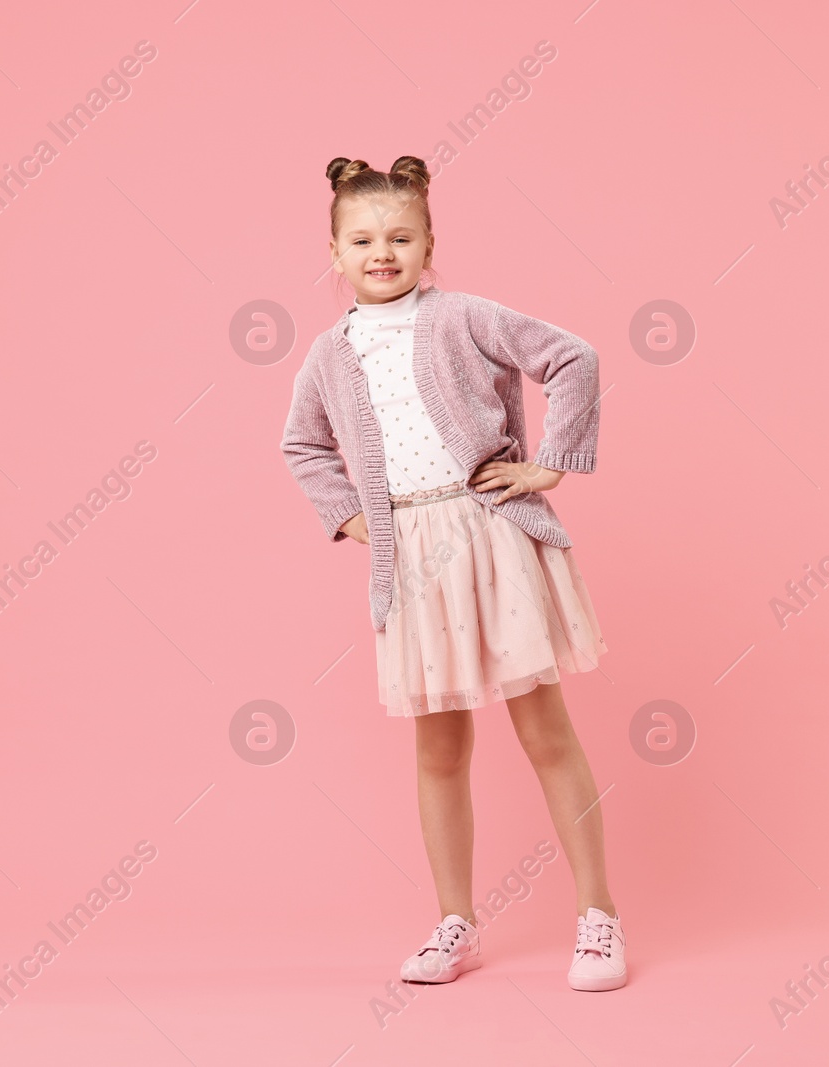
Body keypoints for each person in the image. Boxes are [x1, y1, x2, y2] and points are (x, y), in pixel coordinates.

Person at [281, 155, 627, 992]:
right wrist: (354, 516)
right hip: (413, 558)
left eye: (400, 235)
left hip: (490, 534)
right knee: (438, 747)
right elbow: (302, 443)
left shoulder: (464, 316)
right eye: (362, 239)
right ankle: (455, 922)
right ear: (334, 252)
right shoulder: (330, 355)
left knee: (544, 730)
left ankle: (599, 914)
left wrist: (551, 463)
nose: (382, 251)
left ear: (429, 242)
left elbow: (574, 358)